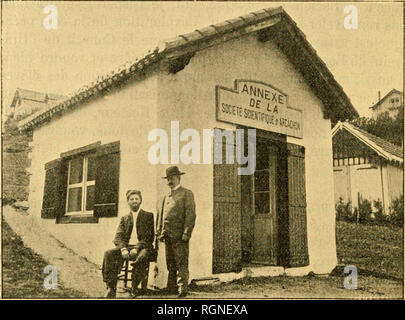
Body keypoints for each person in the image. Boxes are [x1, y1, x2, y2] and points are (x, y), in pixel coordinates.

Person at [102, 190, 154, 298]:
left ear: (140, 201)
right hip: (127, 247)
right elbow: (118, 236)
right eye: (131, 199)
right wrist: (123, 249)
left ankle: (135, 286)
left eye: (136, 199)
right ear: (128, 202)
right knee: (108, 254)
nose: (134, 201)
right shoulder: (124, 218)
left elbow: (149, 237)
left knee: (141, 256)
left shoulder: (148, 216)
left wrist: (136, 248)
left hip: (142, 246)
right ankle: (111, 287)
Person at [156, 166, 196, 298]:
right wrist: (159, 231)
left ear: (178, 178)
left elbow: (191, 215)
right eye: (167, 179)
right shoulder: (165, 196)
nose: (169, 182)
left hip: (180, 236)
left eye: (172, 179)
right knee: (170, 263)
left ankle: (182, 288)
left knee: (181, 262)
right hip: (167, 235)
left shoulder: (187, 193)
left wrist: (186, 233)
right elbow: (161, 215)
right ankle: (171, 287)